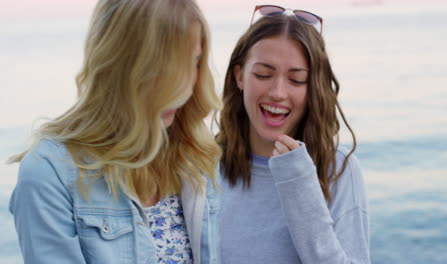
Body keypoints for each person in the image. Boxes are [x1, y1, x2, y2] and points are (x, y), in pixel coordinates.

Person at [8, 0, 221, 263]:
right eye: (165, 68)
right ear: (117, 64)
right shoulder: (49, 174)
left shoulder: (193, 155)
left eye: (194, 63)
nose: (184, 86)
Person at [216, 5, 370, 264]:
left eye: (296, 80)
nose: (277, 92)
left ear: (314, 89)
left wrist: (299, 184)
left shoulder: (340, 171)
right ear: (239, 76)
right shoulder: (202, 165)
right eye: (263, 74)